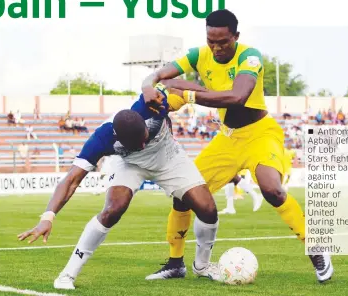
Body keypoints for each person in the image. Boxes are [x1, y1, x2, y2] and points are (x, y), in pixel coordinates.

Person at [141, 9, 333, 283]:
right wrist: (149, 86)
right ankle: (175, 263)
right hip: (227, 139)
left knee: (271, 189)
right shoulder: (198, 55)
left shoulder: (249, 56)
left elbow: (237, 96)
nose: (217, 48)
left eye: (223, 42)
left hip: (260, 134)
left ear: (236, 36)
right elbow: (158, 76)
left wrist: (188, 92)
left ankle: (316, 247)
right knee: (182, 194)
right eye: (211, 41)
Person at [17, 93, 220, 290]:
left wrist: (155, 82)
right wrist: (48, 216)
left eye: (145, 138)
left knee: (207, 208)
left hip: (168, 156)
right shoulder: (102, 139)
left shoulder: (152, 104)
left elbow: (174, 83)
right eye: (137, 143)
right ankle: (67, 274)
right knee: (113, 209)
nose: (142, 144)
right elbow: (71, 180)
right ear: (118, 139)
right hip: (130, 163)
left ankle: (201, 266)